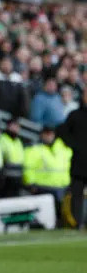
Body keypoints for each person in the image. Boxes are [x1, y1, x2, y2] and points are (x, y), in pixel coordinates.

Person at [57, 88, 87, 229]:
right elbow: (62, 131)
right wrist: (74, 146)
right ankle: (77, 223)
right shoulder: (74, 115)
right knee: (77, 195)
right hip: (79, 163)